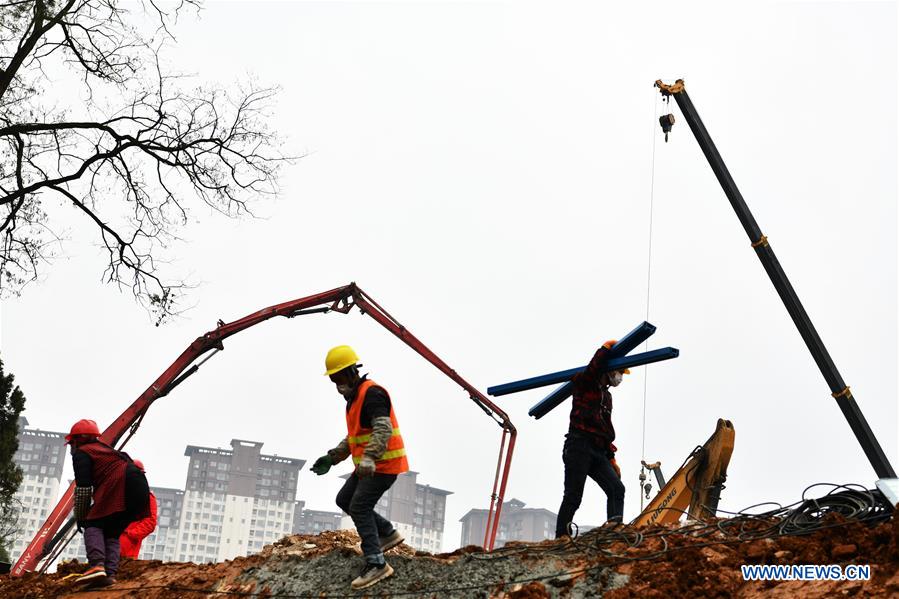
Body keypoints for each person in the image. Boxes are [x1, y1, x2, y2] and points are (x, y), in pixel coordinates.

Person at [310, 345, 408, 590]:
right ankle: (387, 533)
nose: (337, 385)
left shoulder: (372, 394)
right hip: (368, 465)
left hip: (382, 465)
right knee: (344, 499)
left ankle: (377, 563)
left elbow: (382, 428)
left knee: (359, 506)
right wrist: (333, 457)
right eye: (333, 380)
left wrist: (370, 458)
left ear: (352, 371)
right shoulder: (355, 399)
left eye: (339, 378)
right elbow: (355, 436)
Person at [555, 340, 628, 538]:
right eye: (619, 372)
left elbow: (605, 431)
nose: (620, 377)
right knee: (573, 496)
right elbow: (594, 367)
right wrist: (604, 349)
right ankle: (561, 537)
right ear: (610, 369)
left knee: (616, 488)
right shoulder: (585, 382)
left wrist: (611, 458)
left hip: (597, 449)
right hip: (578, 445)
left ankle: (614, 532)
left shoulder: (607, 396)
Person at [66, 419, 150, 587]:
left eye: (71, 444)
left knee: (93, 524)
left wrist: (82, 517)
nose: (70, 448)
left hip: (122, 485)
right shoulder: (105, 451)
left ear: (76, 440)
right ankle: (109, 575)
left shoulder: (83, 452)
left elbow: (83, 488)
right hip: (140, 488)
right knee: (112, 530)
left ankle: (97, 566)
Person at [119, 460, 158, 559]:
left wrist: (130, 535)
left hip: (126, 549)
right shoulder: (118, 493)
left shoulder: (147, 497)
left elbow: (150, 522)